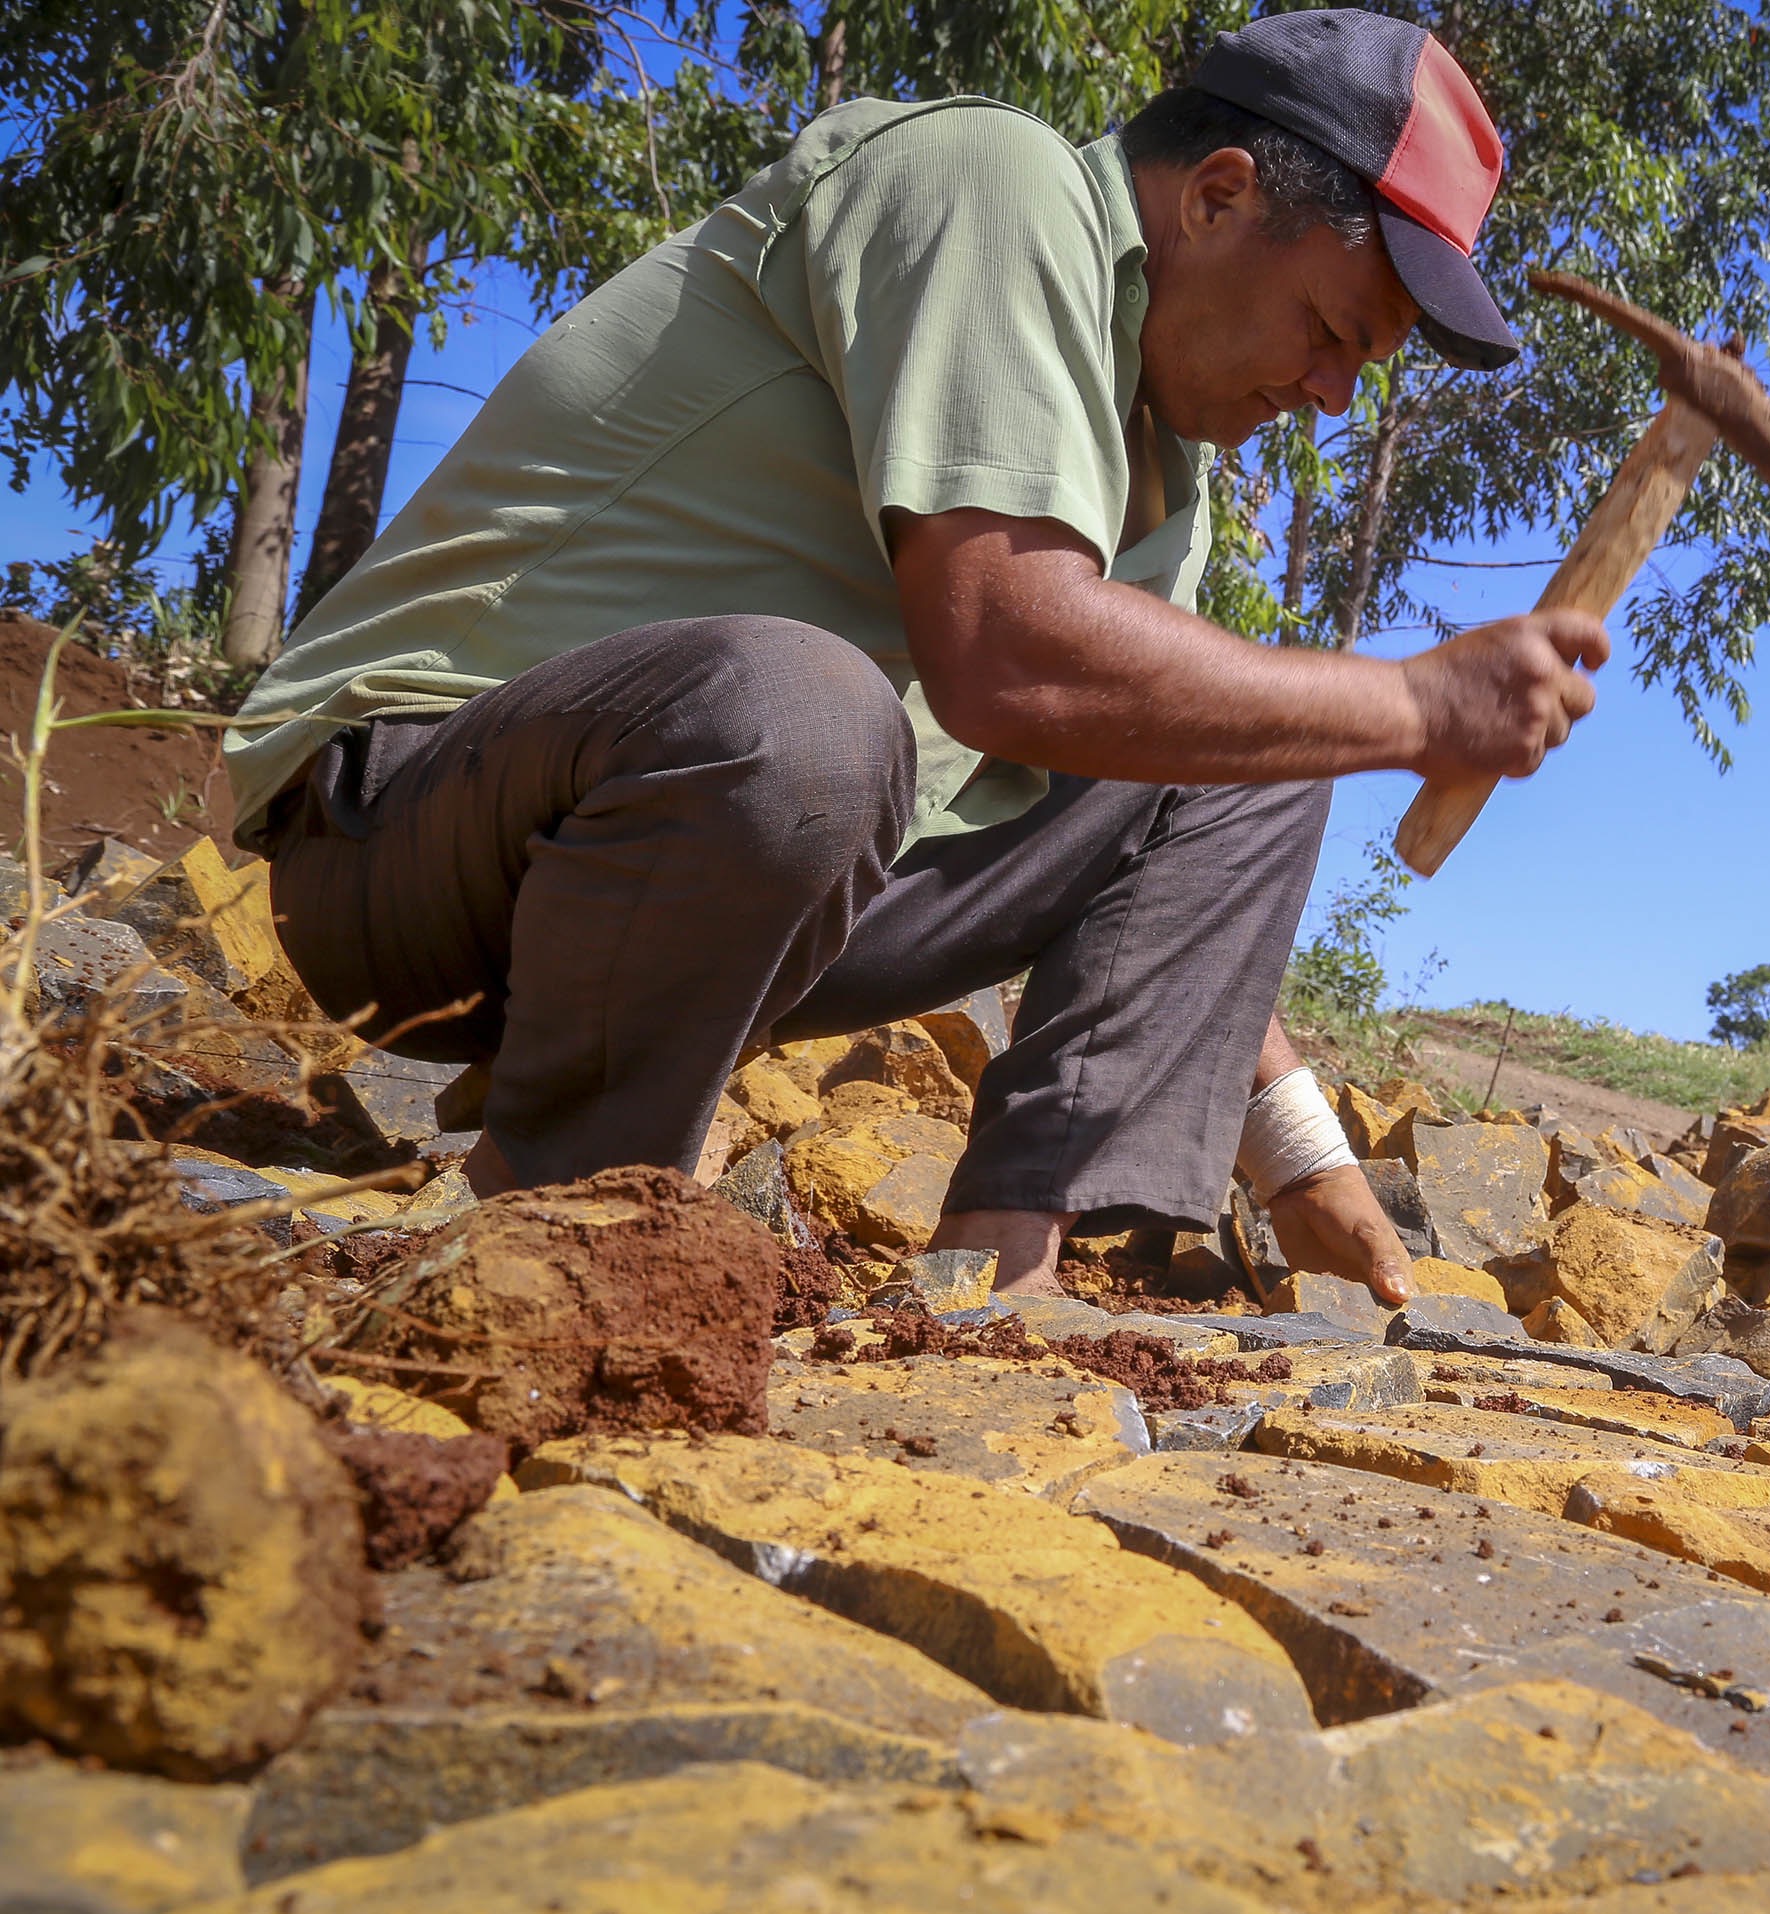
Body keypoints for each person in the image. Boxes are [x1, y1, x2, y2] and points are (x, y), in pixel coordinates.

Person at [223, 10, 1606, 1303]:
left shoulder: (1153, 472)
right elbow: (1008, 657)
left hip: (738, 901)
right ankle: (548, 1220)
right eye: (1331, 332)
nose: (1327, 393)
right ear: (1219, 194)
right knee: (814, 709)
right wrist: (1418, 702)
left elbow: (1161, 783)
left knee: (1253, 745)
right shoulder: (990, 186)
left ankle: (1002, 1285)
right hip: (405, 838)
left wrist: (1300, 1152)